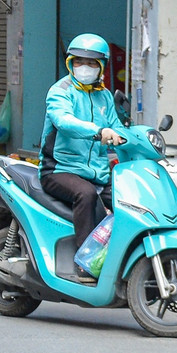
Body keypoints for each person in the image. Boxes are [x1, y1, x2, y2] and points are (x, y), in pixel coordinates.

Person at [38, 33, 126, 282]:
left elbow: (116, 126)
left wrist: (131, 140)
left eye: (90, 63)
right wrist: (97, 132)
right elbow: (64, 121)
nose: (84, 67)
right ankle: (85, 264)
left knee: (129, 197)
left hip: (97, 171)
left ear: (101, 67)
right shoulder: (60, 91)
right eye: (78, 62)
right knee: (85, 194)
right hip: (58, 170)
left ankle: (119, 257)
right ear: (70, 64)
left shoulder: (105, 96)